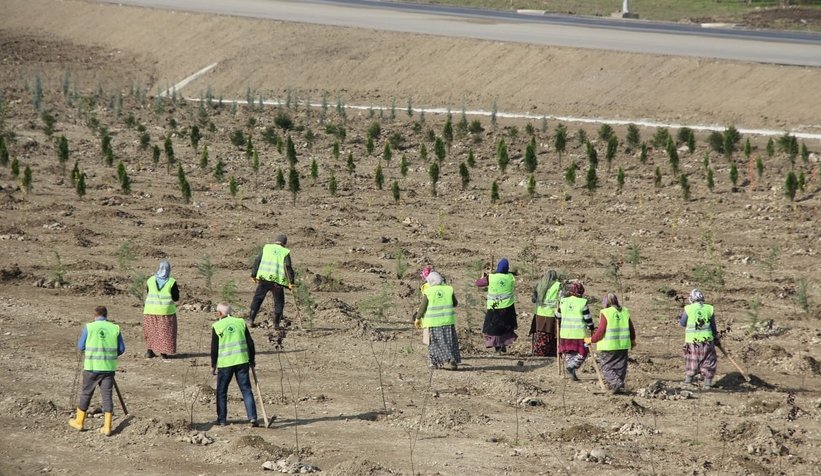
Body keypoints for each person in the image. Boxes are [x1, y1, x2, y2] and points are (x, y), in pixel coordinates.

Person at [68, 306, 125, 436]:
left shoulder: (89, 327)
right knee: (107, 396)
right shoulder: (115, 328)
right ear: (106, 315)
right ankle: (107, 427)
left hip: (91, 367)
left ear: (95, 315)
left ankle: (79, 422)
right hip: (108, 369)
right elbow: (121, 349)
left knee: (86, 394)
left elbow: (81, 346)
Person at [211, 302, 258, 427]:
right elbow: (250, 342)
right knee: (246, 390)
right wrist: (252, 358)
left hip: (225, 364)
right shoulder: (240, 322)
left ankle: (222, 419)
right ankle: (252, 417)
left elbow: (214, 348)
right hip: (242, 361)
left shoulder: (217, 326)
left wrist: (213, 364)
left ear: (220, 313)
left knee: (221, 391)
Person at [587, 293, 636, 394]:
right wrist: (632, 340)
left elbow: (600, 332)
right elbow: (631, 329)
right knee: (620, 367)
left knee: (606, 367)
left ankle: (617, 385)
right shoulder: (625, 311)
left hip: (609, 346)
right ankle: (618, 386)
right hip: (623, 345)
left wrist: (591, 340)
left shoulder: (606, 312)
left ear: (606, 302)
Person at [413, 271, 461, 370]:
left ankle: (434, 363)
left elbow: (423, 308)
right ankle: (452, 360)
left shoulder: (429, 292)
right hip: (448, 322)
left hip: (433, 323)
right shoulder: (449, 289)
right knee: (450, 342)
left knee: (434, 343)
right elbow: (455, 303)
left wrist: (417, 318)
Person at [248, 234, 295, 329]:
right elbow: (288, 267)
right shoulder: (285, 252)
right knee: (279, 302)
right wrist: (291, 282)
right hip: (277, 282)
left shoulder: (267, 248)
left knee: (257, 299)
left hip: (264, 279)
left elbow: (257, 260)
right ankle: (276, 324)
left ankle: (250, 320)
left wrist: (253, 274)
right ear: (284, 243)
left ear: (275, 241)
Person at [475, 258, 517, 353]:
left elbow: (478, 283)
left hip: (494, 308)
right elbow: (510, 273)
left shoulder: (491, 278)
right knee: (504, 329)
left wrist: (485, 276)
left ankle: (498, 348)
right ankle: (503, 346)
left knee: (494, 329)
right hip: (507, 308)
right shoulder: (510, 277)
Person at [680, 288, 719, 389]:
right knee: (709, 360)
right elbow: (713, 326)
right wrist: (716, 337)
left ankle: (688, 381)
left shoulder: (688, 309)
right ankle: (707, 383)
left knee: (692, 359)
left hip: (692, 341)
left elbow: (682, 323)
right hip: (707, 340)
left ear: (691, 299)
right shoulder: (709, 308)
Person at [143, 260, 179, 360]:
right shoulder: (171, 282)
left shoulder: (150, 280)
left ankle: (149, 352)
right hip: (165, 311)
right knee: (165, 332)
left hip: (150, 310)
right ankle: (163, 353)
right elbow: (176, 298)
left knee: (151, 331)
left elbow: (148, 292)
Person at [556, 281, 593, 381]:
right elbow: (587, 318)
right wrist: (591, 327)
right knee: (583, 351)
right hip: (579, 333)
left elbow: (558, 316)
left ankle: (571, 371)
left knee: (569, 352)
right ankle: (571, 367)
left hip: (565, 333)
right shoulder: (582, 302)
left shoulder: (563, 301)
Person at [529, 269, 560, 356]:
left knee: (540, 335)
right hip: (551, 315)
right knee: (551, 335)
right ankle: (551, 352)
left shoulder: (539, 285)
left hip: (539, 315)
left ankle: (539, 352)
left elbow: (533, 300)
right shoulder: (558, 285)